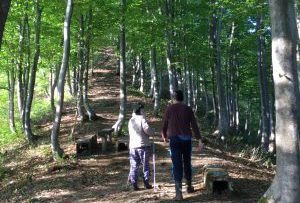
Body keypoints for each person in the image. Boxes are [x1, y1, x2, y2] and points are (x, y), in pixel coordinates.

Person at [161, 90, 204, 200]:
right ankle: (189, 186)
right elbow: (194, 125)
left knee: (176, 164)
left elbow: (165, 123)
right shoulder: (188, 109)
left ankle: (179, 194)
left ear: (174, 98)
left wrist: (164, 135)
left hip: (174, 139)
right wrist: (199, 140)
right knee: (187, 161)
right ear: (182, 98)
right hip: (186, 138)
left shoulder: (169, 108)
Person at [128, 102, 155, 190]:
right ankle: (146, 182)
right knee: (145, 165)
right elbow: (147, 129)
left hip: (133, 146)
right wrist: (152, 132)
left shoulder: (131, 120)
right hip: (143, 146)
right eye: (143, 109)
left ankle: (134, 183)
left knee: (134, 165)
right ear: (140, 110)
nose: (144, 110)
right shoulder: (142, 119)